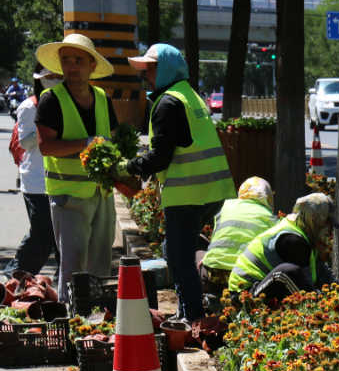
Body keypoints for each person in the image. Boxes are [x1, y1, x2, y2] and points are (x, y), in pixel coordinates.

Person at [125, 43, 235, 326]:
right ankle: (196, 308)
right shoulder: (190, 96)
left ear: (164, 71)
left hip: (187, 195)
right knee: (174, 250)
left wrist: (130, 166)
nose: (145, 75)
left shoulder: (166, 103)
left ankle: (193, 318)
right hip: (213, 191)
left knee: (178, 258)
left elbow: (161, 157)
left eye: (149, 69)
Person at [34, 33, 119, 303]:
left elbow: (113, 141)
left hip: (101, 195)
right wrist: (85, 143)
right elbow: (46, 146)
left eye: (78, 60)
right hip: (68, 198)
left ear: (92, 65)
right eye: (66, 60)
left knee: (100, 264)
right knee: (73, 268)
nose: (72, 66)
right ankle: (72, 328)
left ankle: (96, 325)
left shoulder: (102, 98)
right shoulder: (51, 99)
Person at [5, 68, 60, 276]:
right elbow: (26, 143)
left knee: (57, 237)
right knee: (42, 234)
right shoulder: (29, 107)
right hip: (36, 182)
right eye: (49, 78)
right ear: (40, 80)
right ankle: (14, 275)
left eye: (57, 77)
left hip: (59, 179)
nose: (53, 81)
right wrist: (45, 124)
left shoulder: (63, 104)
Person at [228, 193, 336, 299]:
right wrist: (321, 303)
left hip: (260, 288)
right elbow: (305, 286)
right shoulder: (293, 241)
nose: (330, 230)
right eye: (327, 223)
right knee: (288, 271)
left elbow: (323, 272)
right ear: (313, 220)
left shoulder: (306, 236)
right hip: (244, 295)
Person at [199, 176, 275, 294]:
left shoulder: (225, 206)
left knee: (196, 251)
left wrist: (208, 258)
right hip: (245, 281)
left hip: (213, 276)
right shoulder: (270, 218)